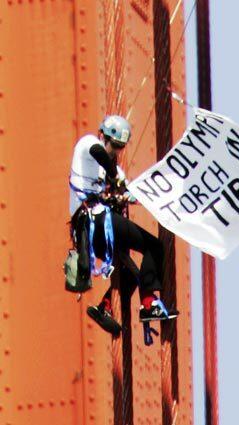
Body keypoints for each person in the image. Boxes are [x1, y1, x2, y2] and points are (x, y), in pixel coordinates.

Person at [69, 115, 178, 335]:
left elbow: (128, 191)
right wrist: (113, 178)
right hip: (92, 221)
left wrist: (128, 194)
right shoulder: (88, 145)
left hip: (99, 229)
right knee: (153, 246)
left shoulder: (116, 171)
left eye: (120, 147)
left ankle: (105, 307)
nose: (115, 151)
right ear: (103, 136)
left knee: (132, 273)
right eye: (114, 145)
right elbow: (99, 154)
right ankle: (149, 304)